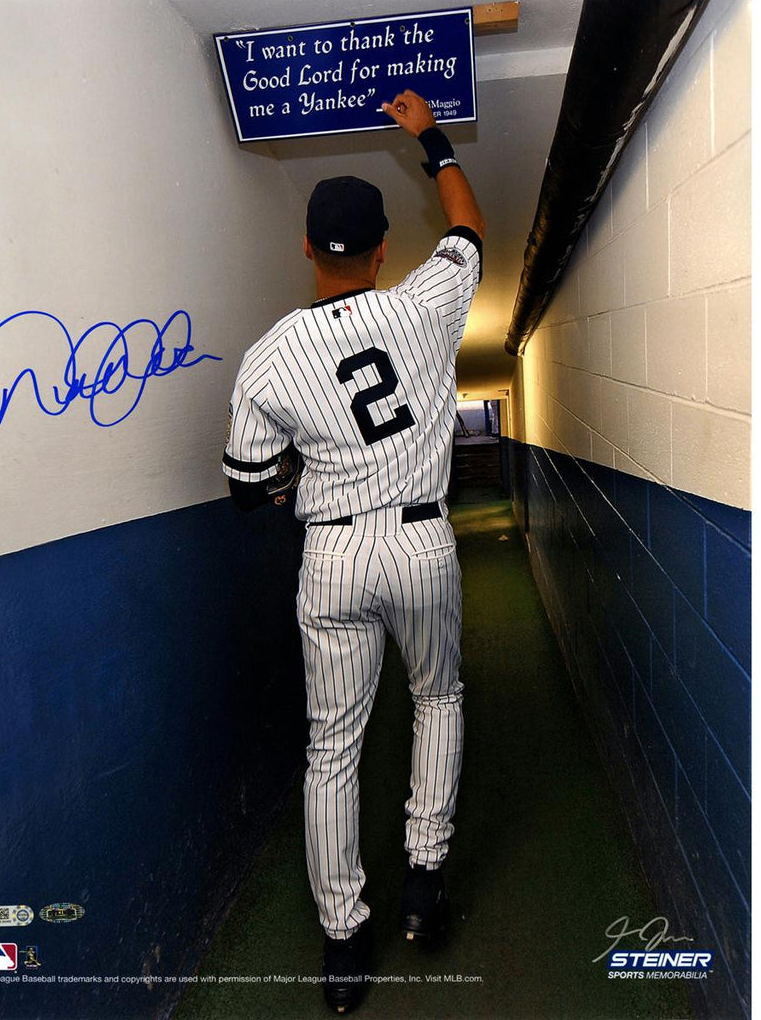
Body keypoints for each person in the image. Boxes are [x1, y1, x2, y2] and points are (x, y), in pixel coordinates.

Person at [222, 88, 484, 1015]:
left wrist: (309, 481)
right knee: (437, 698)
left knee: (332, 747)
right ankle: (423, 880)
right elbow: (470, 229)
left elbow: (247, 485)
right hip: (420, 543)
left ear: (305, 248)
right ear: (382, 251)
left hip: (331, 557)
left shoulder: (266, 358)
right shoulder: (426, 307)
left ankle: (343, 939)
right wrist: (430, 139)